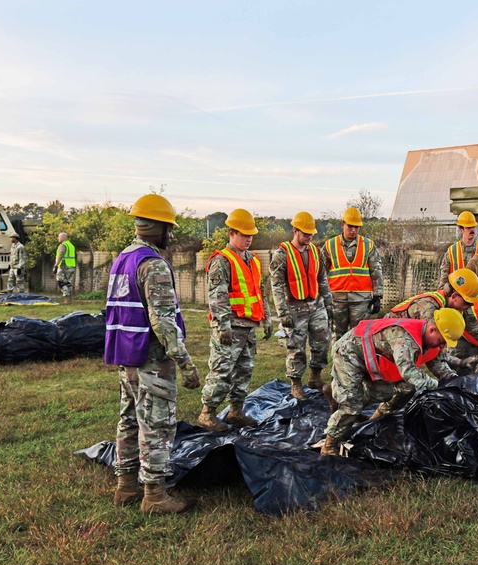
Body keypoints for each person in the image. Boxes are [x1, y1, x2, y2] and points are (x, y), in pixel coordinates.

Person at [104, 193, 201, 514]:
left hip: (126, 356)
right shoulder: (153, 264)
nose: (171, 235)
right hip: (151, 358)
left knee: (129, 421)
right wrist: (184, 362)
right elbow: (163, 321)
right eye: (169, 228)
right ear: (156, 227)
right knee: (157, 425)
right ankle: (155, 495)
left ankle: (126, 487)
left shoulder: (123, 259)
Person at [320, 309, 465, 456]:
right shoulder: (404, 338)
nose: (442, 346)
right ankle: (329, 444)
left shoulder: (431, 341)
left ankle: (343, 401)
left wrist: (457, 382)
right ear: (432, 330)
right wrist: (438, 386)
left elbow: (439, 366)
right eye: (442, 341)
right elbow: (408, 372)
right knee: (351, 406)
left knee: (385, 392)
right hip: (348, 353)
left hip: (370, 359)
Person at [198, 209, 273, 433]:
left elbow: (260, 293)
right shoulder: (221, 261)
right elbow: (217, 297)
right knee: (222, 371)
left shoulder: (253, 260)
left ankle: (236, 411)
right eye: (243, 234)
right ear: (231, 233)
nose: (248, 239)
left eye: (251, 235)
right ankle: (207, 414)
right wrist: (223, 326)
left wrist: (267, 318)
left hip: (248, 326)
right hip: (230, 326)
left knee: (244, 371)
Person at [270, 211, 333, 400]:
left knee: (322, 342)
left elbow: (322, 278)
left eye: (311, 233)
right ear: (295, 231)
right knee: (296, 348)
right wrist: (282, 312)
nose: (309, 236)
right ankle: (296, 384)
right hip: (294, 308)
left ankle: (315, 377)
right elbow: (276, 285)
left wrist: (328, 303)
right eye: (305, 233)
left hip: (316, 305)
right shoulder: (282, 254)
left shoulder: (315, 251)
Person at [322, 207, 384, 337]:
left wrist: (378, 295)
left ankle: (358, 358)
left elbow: (376, 270)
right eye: (350, 226)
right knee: (338, 335)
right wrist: (322, 296)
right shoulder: (329, 245)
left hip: (361, 300)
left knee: (361, 336)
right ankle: (338, 357)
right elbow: (321, 273)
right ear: (342, 224)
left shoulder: (368, 245)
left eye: (357, 227)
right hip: (336, 299)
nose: (353, 230)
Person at [392, 268, 478, 320]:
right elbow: (433, 338)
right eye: (467, 302)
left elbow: (475, 330)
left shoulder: (454, 308)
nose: (471, 305)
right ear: (454, 297)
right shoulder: (429, 307)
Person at [438, 211, 478, 289]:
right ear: (461, 230)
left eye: (473, 227)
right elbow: (444, 276)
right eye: (468, 228)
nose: (472, 230)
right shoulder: (452, 251)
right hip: (457, 295)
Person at [54, 232, 76, 303]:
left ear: (63, 237)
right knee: (69, 283)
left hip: (64, 265)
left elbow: (60, 255)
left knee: (61, 282)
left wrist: (56, 265)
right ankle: (70, 299)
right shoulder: (71, 245)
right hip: (71, 266)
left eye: (59, 237)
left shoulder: (63, 245)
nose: (58, 238)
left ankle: (66, 298)